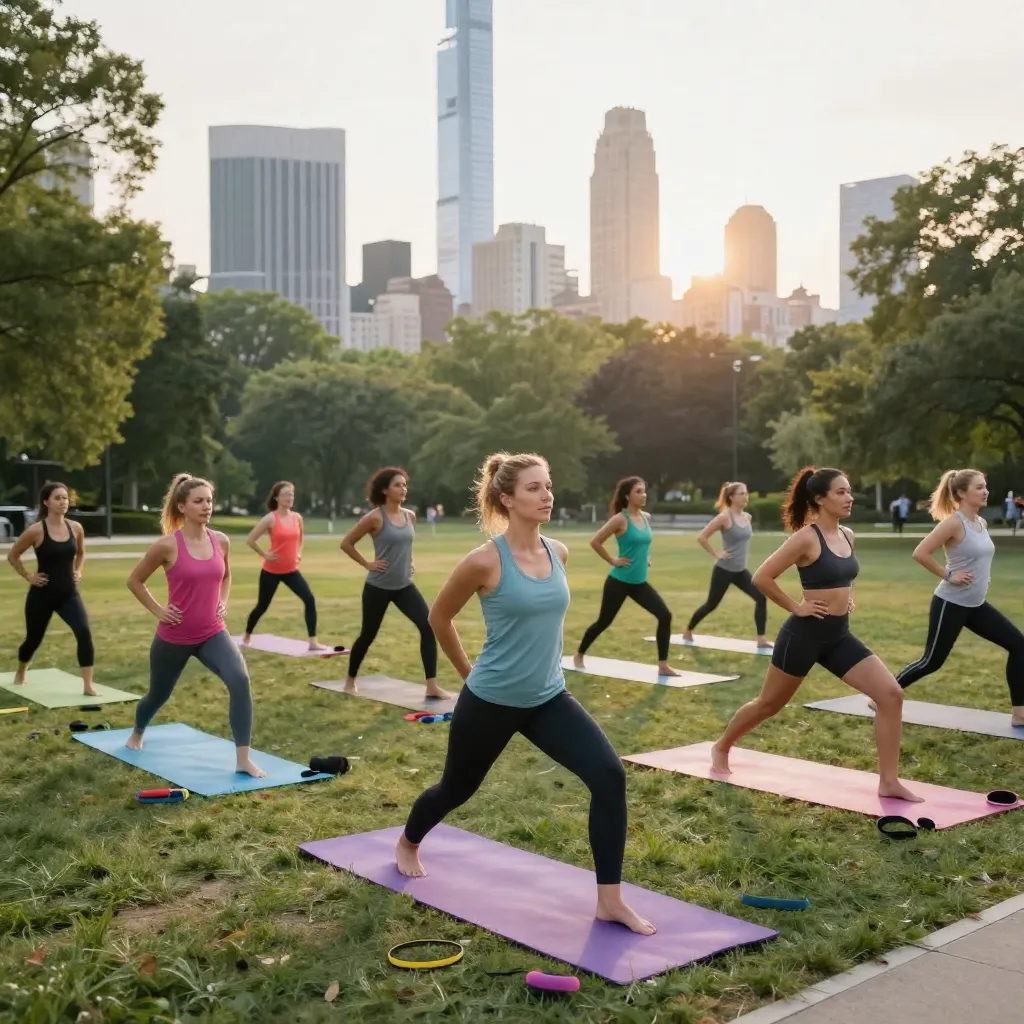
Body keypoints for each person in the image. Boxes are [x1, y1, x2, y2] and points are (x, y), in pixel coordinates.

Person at [395, 452, 656, 936]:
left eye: (548, 486)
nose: (547, 495)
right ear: (507, 498)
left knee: (609, 776)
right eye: (534, 488)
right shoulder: (483, 560)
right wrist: (468, 673)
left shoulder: (559, 552)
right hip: (490, 700)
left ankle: (610, 900)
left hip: (547, 698)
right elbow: (439, 618)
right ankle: (409, 841)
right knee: (457, 789)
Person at [710, 466, 920, 802]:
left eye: (849, 490)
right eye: (840, 492)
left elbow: (843, 575)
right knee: (768, 704)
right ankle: (721, 747)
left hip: (839, 636)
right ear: (820, 498)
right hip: (804, 636)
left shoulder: (848, 535)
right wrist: (797, 607)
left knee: (891, 695)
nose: (849, 497)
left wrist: (846, 597)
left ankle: (889, 781)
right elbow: (762, 577)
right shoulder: (806, 537)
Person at [125, 474, 264, 776]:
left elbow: (225, 575)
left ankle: (243, 759)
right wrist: (158, 610)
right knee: (158, 695)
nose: (206, 506)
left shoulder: (221, 541)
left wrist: (223, 600)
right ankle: (138, 730)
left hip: (213, 632)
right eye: (198, 501)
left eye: (209, 500)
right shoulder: (166, 546)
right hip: (174, 636)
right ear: (182, 507)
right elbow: (134, 581)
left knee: (240, 680)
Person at [895, 469, 1024, 724]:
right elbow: (920, 552)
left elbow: (979, 557)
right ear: (962, 493)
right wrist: (948, 575)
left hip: (976, 605)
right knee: (932, 661)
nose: (985, 491)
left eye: (985, 486)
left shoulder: (980, 522)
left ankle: (1020, 714)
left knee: (1020, 645)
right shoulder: (954, 523)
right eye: (979, 487)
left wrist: (983, 577)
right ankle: (882, 695)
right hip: (951, 603)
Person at [340, 467, 448, 698]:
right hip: (377, 587)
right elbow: (347, 543)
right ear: (385, 490)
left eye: (404, 484)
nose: (403, 488)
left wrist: (409, 563)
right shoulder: (375, 517)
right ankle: (350, 680)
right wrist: (367, 564)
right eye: (398, 485)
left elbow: (404, 545)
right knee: (368, 634)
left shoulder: (410, 516)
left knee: (428, 626)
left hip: (404, 586)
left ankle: (431, 686)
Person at [573, 476, 679, 677]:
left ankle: (663, 666)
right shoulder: (620, 519)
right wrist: (612, 560)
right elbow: (596, 541)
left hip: (639, 583)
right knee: (604, 622)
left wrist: (645, 557)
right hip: (619, 582)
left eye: (644, 491)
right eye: (638, 491)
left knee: (665, 615)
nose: (643, 495)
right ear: (627, 495)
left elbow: (643, 543)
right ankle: (579, 655)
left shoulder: (646, 517)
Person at [6, 482, 96, 696]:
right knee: (33, 639)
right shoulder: (36, 530)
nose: (63, 502)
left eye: (65, 498)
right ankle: (21, 671)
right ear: (46, 502)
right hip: (42, 595)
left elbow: (81, 553)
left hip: (68, 594)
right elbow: (13, 555)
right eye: (58, 498)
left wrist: (78, 571)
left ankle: (88, 686)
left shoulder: (76, 528)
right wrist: (29, 575)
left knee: (84, 632)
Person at [241, 481, 332, 651]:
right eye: (285, 494)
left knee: (309, 599)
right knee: (262, 606)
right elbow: (250, 540)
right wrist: (265, 554)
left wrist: (299, 552)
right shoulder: (270, 518)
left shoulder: (297, 517)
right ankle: (247, 635)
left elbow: (301, 538)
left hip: (291, 571)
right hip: (271, 571)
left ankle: (313, 641)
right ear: (277, 498)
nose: (290, 497)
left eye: (291, 494)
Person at [682, 481, 770, 648]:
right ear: (731, 497)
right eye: (741, 494)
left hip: (740, 570)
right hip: (724, 569)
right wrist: (717, 553)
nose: (746, 496)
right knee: (711, 604)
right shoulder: (724, 517)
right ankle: (688, 630)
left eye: (746, 493)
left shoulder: (747, 517)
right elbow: (702, 537)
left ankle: (761, 639)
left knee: (761, 598)